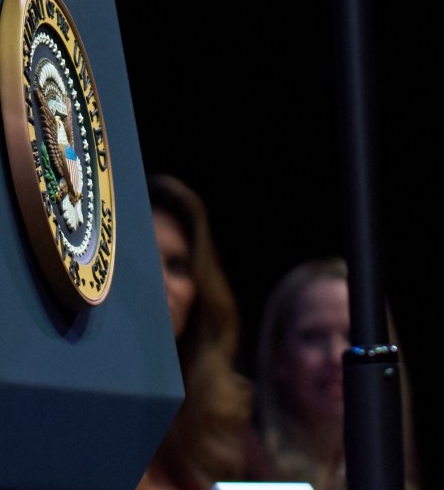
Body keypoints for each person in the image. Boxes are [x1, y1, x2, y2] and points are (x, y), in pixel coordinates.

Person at [139, 174, 259, 490]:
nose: (161, 282)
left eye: (177, 266)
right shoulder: (81, 415)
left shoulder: (218, 428)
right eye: (145, 260)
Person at [254, 258, 417, 490]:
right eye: (313, 337)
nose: (336, 355)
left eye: (353, 337)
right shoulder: (239, 466)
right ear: (279, 357)